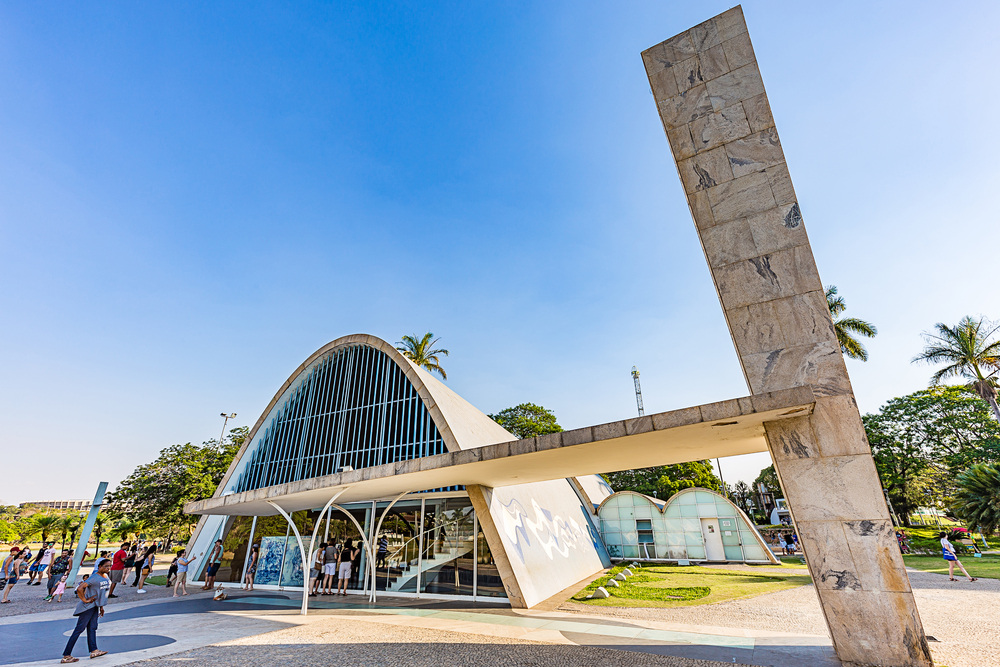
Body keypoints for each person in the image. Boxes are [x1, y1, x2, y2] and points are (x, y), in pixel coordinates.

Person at [60, 557, 111, 663]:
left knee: (92, 628)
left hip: (95, 607)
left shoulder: (105, 576)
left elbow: (101, 593)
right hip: (88, 608)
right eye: (106, 566)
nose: (108, 568)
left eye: (110, 566)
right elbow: (80, 588)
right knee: (79, 629)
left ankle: (94, 650)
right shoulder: (94, 578)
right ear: (100, 567)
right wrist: (85, 600)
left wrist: (101, 607)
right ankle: (66, 655)